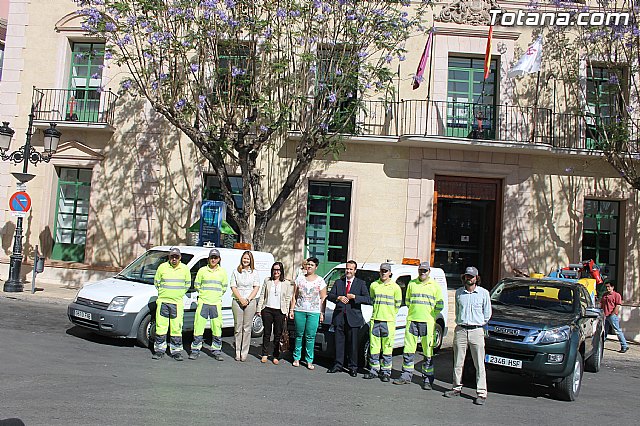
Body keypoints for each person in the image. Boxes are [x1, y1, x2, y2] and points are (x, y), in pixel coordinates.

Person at [444, 266, 492, 406]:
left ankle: (481, 393)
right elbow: (457, 311)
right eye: (467, 276)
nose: (469, 279)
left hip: (476, 330)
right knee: (458, 362)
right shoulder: (459, 293)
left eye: (471, 276)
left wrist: (478, 323)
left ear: (476, 278)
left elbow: (487, 314)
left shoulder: (483, 293)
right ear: (464, 277)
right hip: (461, 330)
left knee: (479, 363)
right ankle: (456, 388)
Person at [393, 261, 444, 389]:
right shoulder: (412, 284)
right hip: (412, 320)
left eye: (425, 270)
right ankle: (406, 376)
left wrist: (431, 315)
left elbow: (440, 305)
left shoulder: (435, 286)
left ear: (429, 272)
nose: (423, 272)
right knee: (408, 349)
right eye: (421, 270)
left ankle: (427, 379)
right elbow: (408, 301)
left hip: (427, 322)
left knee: (427, 351)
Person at [326, 260, 370, 377]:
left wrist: (355, 297)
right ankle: (338, 365)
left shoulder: (360, 283)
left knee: (353, 344)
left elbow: (367, 299)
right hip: (339, 317)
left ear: (355, 271)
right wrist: (339, 298)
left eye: (351, 269)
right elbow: (330, 296)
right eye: (347, 268)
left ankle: (353, 367)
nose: (348, 271)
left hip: (353, 318)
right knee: (339, 343)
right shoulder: (338, 282)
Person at [363, 263, 402, 382]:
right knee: (374, 347)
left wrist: (390, 314)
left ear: (390, 273)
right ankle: (374, 370)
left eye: (386, 271)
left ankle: (386, 372)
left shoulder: (395, 287)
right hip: (375, 319)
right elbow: (372, 299)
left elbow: (398, 304)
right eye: (382, 271)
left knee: (387, 348)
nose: (383, 273)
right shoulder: (374, 285)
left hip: (388, 321)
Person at [152, 247, 191, 361]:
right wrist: (164, 293)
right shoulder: (162, 267)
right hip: (163, 302)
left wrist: (178, 294)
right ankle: (159, 350)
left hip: (177, 303)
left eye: (176, 257)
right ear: (169, 257)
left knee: (176, 328)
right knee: (161, 327)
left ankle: (176, 352)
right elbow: (157, 283)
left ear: (180, 257)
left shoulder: (185, 269)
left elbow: (187, 284)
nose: (174, 259)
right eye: (172, 256)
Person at [189, 248, 229, 361]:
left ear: (219, 259)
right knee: (198, 327)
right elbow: (197, 285)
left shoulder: (222, 272)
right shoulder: (202, 271)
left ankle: (216, 351)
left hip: (215, 303)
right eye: (212, 257)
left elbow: (224, 287)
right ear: (208, 259)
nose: (213, 260)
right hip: (203, 302)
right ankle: (195, 350)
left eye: (215, 258)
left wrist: (216, 295)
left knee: (217, 328)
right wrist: (204, 294)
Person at [291, 257, 327, 370]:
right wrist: (292, 310)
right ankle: (296, 358)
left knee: (310, 336)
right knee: (299, 335)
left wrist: (322, 313)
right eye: (308, 264)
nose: (309, 266)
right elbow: (294, 296)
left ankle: (309, 360)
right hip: (300, 310)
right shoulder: (299, 279)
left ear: (316, 267)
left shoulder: (320, 281)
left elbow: (323, 298)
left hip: (314, 312)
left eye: (312, 265)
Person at [257, 262, 296, 364]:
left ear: (281, 271)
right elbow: (262, 295)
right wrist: (259, 309)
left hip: (280, 311)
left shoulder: (286, 283)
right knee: (267, 333)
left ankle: (275, 355)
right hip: (267, 309)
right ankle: (264, 354)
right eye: (274, 269)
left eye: (278, 270)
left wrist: (286, 312)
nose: (276, 272)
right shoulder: (267, 280)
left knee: (278, 334)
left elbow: (288, 298)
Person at [230, 250, 261, 361]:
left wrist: (248, 299)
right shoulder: (236, 271)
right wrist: (241, 299)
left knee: (247, 328)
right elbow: (233, 286)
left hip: (250, 301)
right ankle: (237, 352)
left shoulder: (254, 272)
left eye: (248, 259)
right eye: (244, 258)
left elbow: (256, 287)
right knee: (238, 328)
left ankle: (244, 352)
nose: (246, 260)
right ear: (241, 259)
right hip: (237, 301)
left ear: (251, 260)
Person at [600, 282, 629, 353]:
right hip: (605, 315)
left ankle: (624, 345)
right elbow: (602, 304)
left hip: (612, 315)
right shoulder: (605, 295)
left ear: (612, 287)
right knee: (604, 331)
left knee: (617, 330)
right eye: (606, 287)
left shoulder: (616, 295)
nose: (607, 288)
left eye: (609, 286)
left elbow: (618, 305)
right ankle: (601, 345)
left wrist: (613, 313)